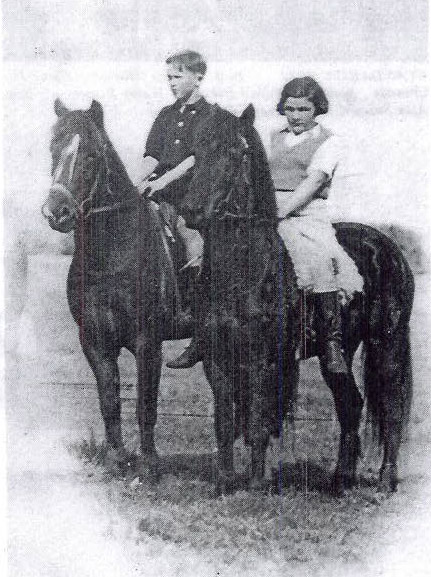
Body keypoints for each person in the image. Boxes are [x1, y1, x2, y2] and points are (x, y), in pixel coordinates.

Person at [270, 76, 363, 374]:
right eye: (290, 109)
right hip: (269, 209)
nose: (295, 116)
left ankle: (331, 340)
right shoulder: (274, 137)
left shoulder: (329, 142)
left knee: (320, 259)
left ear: (316, 109)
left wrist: (284, 209)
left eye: (303, 109)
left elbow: (315, 181)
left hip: (307, 211)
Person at [137, 49, 210, 368]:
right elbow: (152, 155)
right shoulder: (165, 115)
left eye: (177, 76)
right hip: (158, 193)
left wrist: (162, 182)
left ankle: (199, 327)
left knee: (193, 245)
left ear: (198, 77)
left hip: (190, 200)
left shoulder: (212, 116)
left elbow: (195, 159)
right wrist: (136, 181)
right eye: (168, 77)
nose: (171, 83)